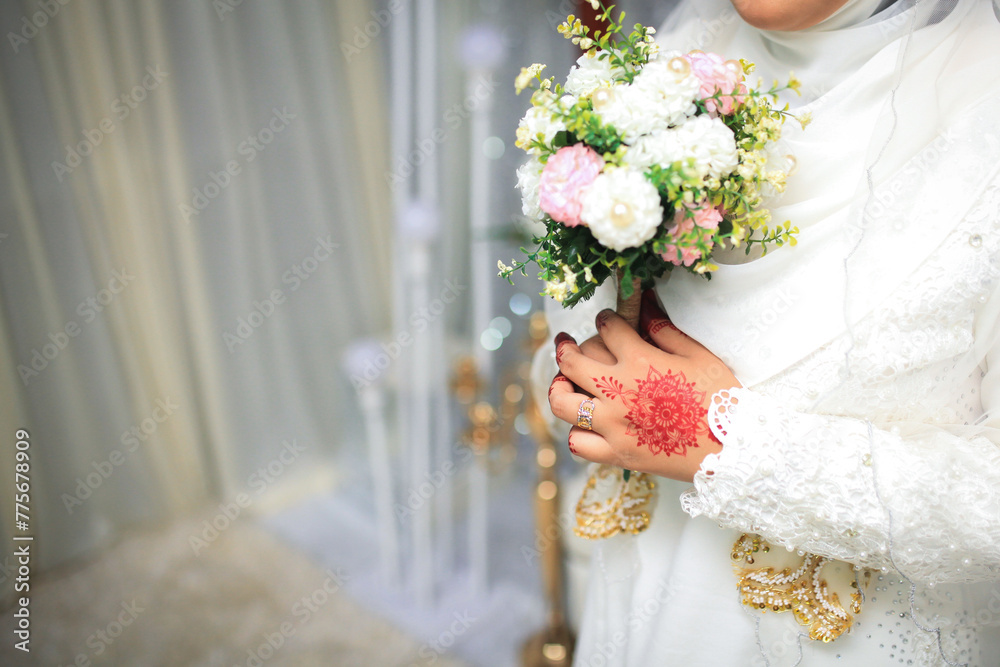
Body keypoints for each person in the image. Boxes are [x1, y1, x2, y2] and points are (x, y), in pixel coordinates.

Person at [540, 0, 1000, 664]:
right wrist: (594, 364)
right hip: (649, 621)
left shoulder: (984, 117)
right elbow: (573, 342)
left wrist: (721, 439)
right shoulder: (680, 54)